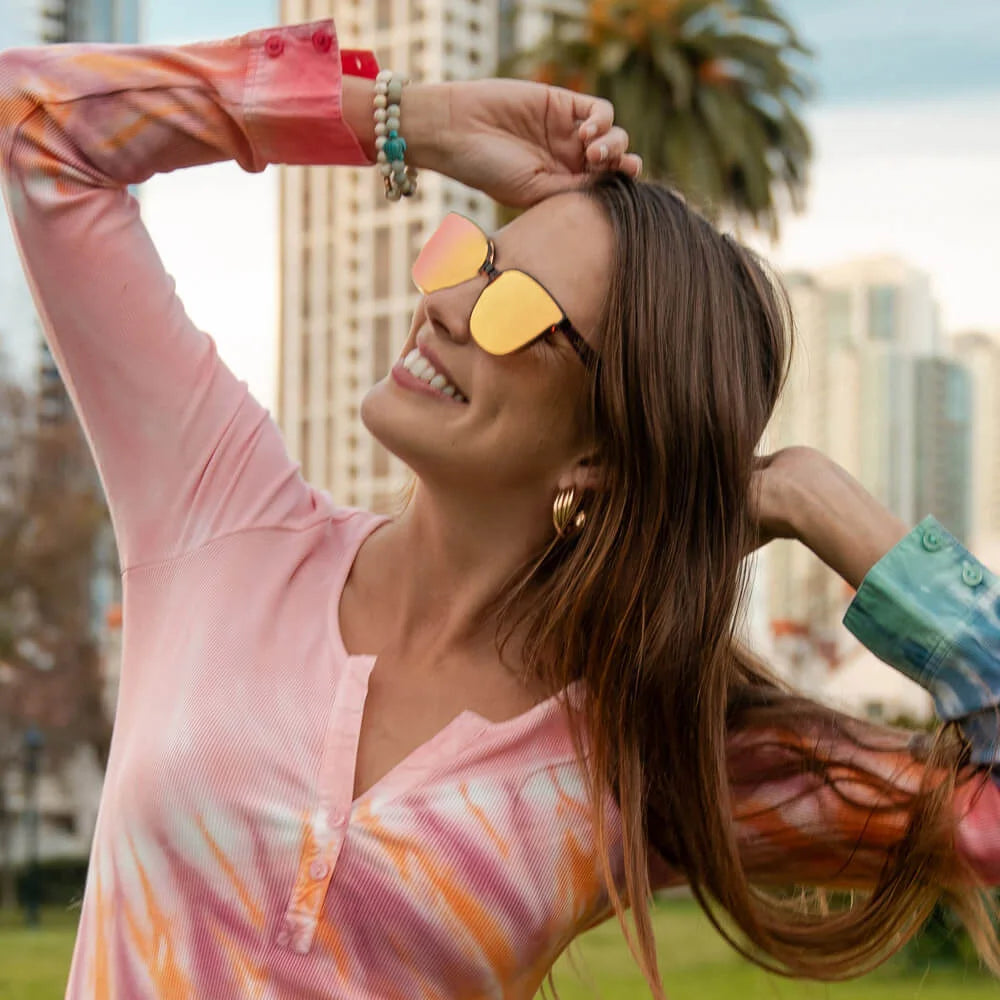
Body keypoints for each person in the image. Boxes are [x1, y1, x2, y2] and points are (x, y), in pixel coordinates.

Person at [0, 17, 997, 1000]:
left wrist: (818, 501)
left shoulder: (637, 753)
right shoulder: (224, 522)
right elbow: (40, 127)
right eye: (467, 258)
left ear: (602, 450)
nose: (443, 306)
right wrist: (408, 119)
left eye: (516, 308)